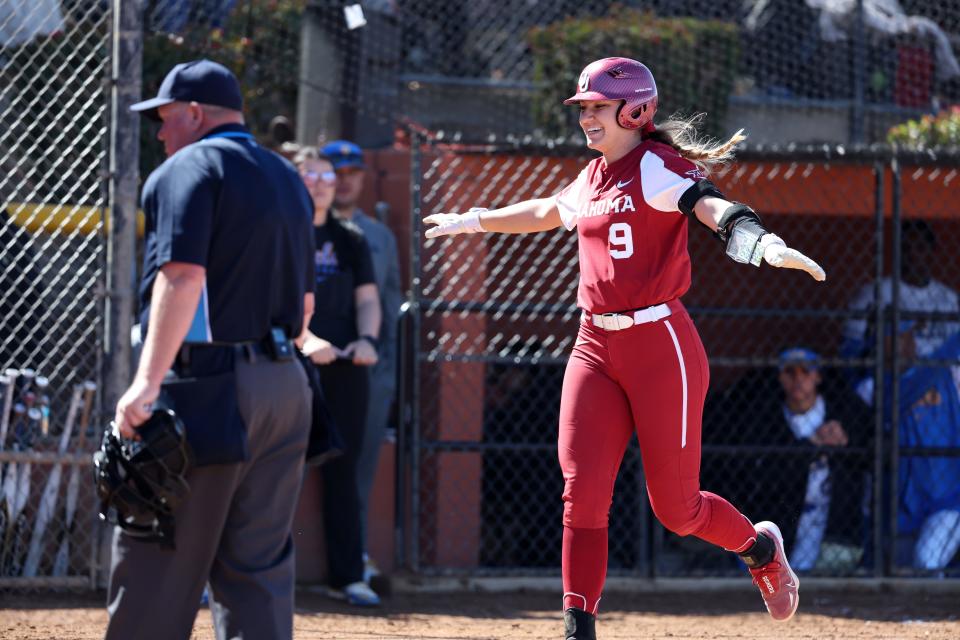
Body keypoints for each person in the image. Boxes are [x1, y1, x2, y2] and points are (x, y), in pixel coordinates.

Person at [424, 57, 827, 639]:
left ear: (635, 110)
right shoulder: (592, 177)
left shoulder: (657, 167)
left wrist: (759, 242)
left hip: (660, 343)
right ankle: (577, 628)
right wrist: (476, 220)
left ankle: (760, 548)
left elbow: (710, 207)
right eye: (583, 107)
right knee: (581, 495)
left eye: (597, 106)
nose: (587, 116)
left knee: (677, 510)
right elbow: (546, 211)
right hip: (594, 344)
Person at [109, 59, 315, 639]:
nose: (160, 131)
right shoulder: (286, 177)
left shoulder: (187, 166)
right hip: (286, 391)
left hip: (210, 389)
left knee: (157, 561)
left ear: (195, 114)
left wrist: (147, 383)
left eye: (166, 117)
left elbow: (181, 277)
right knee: (257, 575)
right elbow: (304, 311)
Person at [294, 146, 383, 605]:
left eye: (327, 176)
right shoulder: (280, 232)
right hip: (289, 363)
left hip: (344, 366)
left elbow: (368, 299)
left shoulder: (350, 237)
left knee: (343, 469)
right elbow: (273, 297)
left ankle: (348, 576)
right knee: (271, 470)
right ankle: (244, 575)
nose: (322, 183)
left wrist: (367, 340)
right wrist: (305, 341)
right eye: (311, 175)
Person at [705, 348, 873, 573]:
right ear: (780, 378)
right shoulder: (766, 417)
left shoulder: (844, 411)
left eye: (806, 372)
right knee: (764, 568)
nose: (798, 379)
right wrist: (811, 446)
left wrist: (847, 441)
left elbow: (873, 451)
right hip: (785, 516)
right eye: (790, 372)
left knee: (830, 569)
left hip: (831, 520)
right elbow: (761, 473)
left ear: (818, 377)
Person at [322, 139, 403, 582]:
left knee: (359, 467)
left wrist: (383, 368)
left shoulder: (379, 236)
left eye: (353, 172)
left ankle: (354, 563)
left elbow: (390, 306)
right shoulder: (303, 227)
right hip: (314, 358)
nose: (345, 180)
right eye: (336, 171)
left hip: (367, 368)